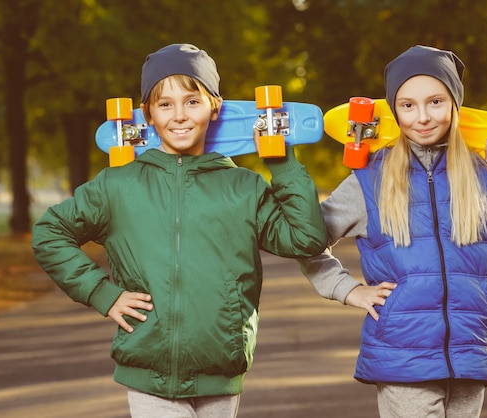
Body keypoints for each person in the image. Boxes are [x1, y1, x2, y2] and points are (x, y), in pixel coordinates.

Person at [32, 43, 327, 418]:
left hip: (220, 369)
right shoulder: (119, 186)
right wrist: (102, 293)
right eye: (165, 104)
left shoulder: (244, 187)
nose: (179, 115)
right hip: (148, 372)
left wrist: (282, 163)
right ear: (148, 114)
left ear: (214, 106)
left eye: (192, 101)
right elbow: (49, 232)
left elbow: (306, 239)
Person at [298, 45, 487, 417]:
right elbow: (306, 242)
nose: (422, 117)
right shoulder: (369, 180)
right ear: (395, 111)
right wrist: (349, 290)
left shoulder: (478, 176)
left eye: (436, 101)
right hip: (403, 362)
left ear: (455, 104)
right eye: (407, 105)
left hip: (468, 358)